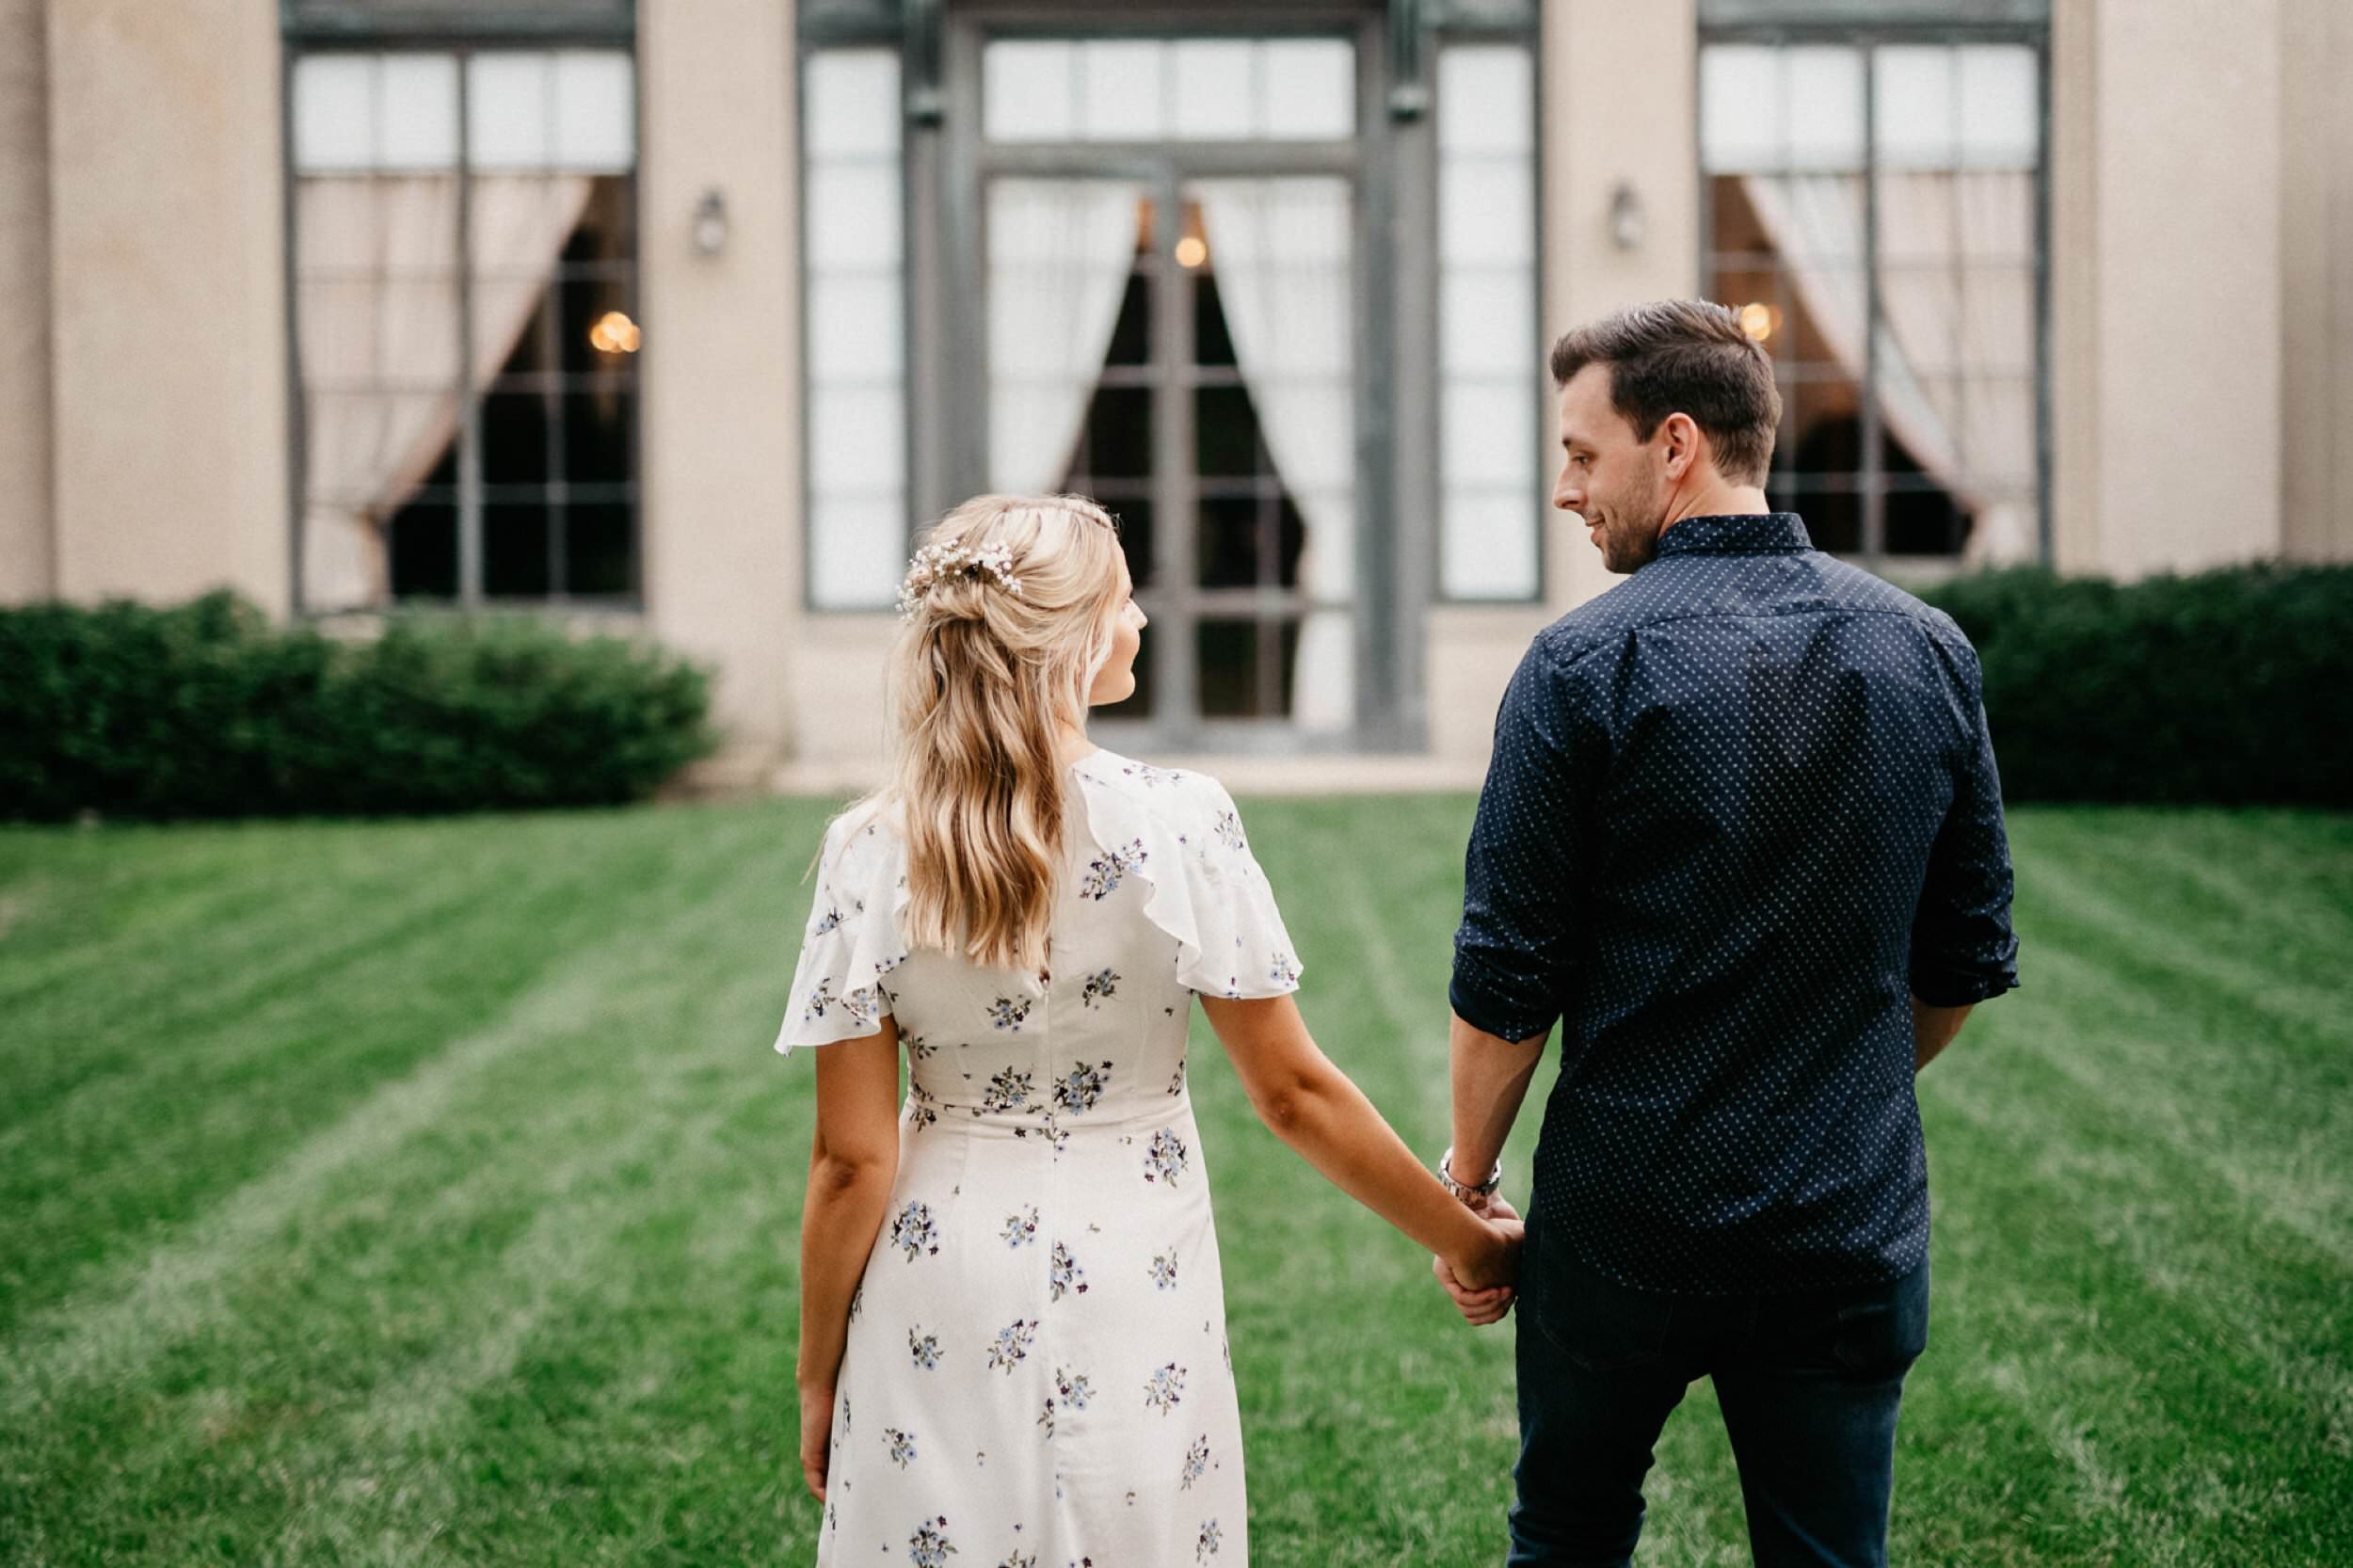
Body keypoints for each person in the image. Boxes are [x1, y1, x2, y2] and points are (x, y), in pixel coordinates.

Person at [778, 492, 1521, 1567]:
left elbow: (851, 1159)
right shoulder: (1181, 820)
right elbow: (1292, 1094)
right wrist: (1467, 1238)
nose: (1141, 623)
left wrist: (818, 1369)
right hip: (1137, 1259)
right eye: (1125, 602)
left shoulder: (868, 847)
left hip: (940, 1271)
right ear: (1075, 639)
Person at [1433, 300, 2020, 1568]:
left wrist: (1471, 1182)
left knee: (1570, 1539)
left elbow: (1505, 980)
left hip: (1622, 1224)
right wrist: (1818, 1077)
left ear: (1678, 445)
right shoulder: (1928, 651)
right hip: (1843, 1220)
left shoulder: (1580, 667)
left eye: (1586, 455)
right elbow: (1960, 965)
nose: (1563, 488)